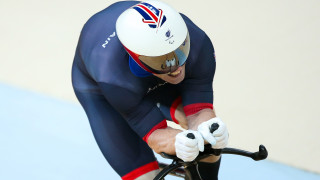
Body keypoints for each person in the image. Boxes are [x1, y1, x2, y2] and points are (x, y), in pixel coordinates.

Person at [72, 0, 229, 179]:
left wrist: (210, 131)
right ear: (136, 58)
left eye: (181, 51)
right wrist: (178, 143)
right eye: (163, 61)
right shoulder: (112, 77)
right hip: (107, 92)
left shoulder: (199, 44)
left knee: (207, 138)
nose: (177, 68)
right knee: (145, 177)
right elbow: (155, 136)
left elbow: (199, 110)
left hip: (147, 81)